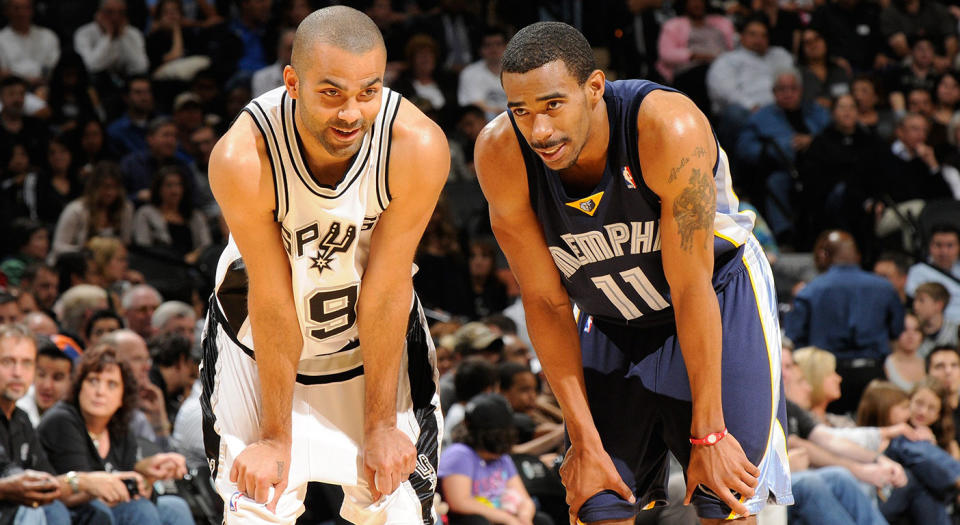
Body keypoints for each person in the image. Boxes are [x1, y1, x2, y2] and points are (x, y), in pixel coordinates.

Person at [476, 21, 792, 524]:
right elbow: (546, 302)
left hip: (716, 300)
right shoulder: (501, 154)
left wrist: (709, 434)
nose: (538, 130)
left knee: (725, 497)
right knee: (596, 502)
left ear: (594, 88)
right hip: (611, 317)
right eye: (520, 111)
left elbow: (691, 288)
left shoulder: (667, 127)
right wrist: (580, 439)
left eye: (553, 105)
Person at [201, 6, 449, 524]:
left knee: (399, 508)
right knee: (254, 507)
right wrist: (273, 437)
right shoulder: (243, 156)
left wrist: (381, 425)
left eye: (368, 91)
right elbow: (269, 296)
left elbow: (386, 290)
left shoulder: (417, 146)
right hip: (258, 344)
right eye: (331, 92)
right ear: (292, 81)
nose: (351, 113)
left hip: (369, 344)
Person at [37, 344, 195, 525]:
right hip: (72, 510)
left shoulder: (120, 427)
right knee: (138, 509)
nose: (100, 392)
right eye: (93, 381)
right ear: (80, 385)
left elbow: (128, 486)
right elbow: (81, 493)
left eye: (111, 384)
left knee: (175, 507)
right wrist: (131, 485)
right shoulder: (61, 421)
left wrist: (147, 479)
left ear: (122, 396)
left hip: (111, 507)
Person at [784, 230, 904, 414]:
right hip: (872, 372)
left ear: (824, 255)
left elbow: (794, 335)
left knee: (827, 433)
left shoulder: (810, 291)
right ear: (857, 255)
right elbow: (897, 329)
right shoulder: (885, 288)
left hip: (827, 375)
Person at [438, 393, 554, 525]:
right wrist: (508, 519)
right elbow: (460, 502)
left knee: (542, 520)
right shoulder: (460, 454)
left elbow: (524, 499)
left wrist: (524, 517)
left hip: (505, 514)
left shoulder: (502, 458)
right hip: (479, 519)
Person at [906, 225, 960, 322]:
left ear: (958, 247)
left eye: (950, 245)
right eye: (938, 245)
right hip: (938, 328)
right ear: (930, 246)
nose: (944, 251)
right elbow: (918, 306)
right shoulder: (918, 271)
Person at [16, 336, 73, 427]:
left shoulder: (78, 413)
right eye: (41, 375)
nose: (47, 386)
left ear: (72, 381)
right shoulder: (17, 404)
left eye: (57, 378)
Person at [913, 282, 959, 357]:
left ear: (938, 305)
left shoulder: (956, 332)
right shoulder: (912, 331)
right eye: (915, 300)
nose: (915, 306)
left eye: (921, 300)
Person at [884, 312, 926, 391]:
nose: (911, 335)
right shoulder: (884, 366)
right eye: (904, 329)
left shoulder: (928, 362)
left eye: (916, 330)